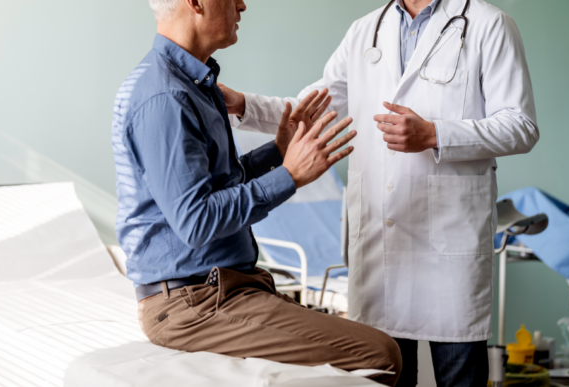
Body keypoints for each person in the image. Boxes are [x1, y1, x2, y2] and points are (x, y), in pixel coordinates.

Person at [219, 0, 538, 385]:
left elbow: (521, 126)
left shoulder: (489, 24)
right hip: (382, 243)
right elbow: (312, 107)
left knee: (460, 377)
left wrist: (435, 134)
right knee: (385, 373)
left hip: (450, 245)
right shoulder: (366, 30)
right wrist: (245, 105)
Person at [111, 0, 403, 384]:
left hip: (226, 287)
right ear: (196, 3)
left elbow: (218, 185)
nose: (242, 5)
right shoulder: (165, 97)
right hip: (193, 303)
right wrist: (289, 176)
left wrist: (279, 152)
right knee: (380, 354)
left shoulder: (196, 85)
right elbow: (196, 222)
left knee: (374, 347)